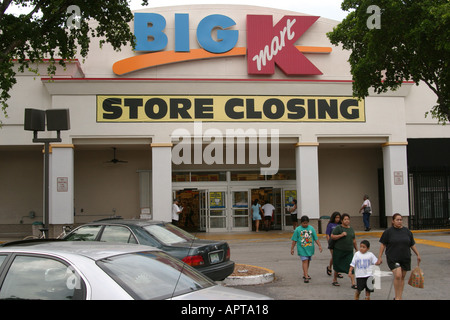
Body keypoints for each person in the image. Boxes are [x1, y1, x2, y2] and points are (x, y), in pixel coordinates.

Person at [377, 213, 421, 300]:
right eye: (397, 220)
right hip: (393, 258)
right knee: (398, 275)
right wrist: (380, 257)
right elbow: (383, 244)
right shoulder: (388, 232)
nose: (399, 221)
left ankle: (399, 297)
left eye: (401, 220)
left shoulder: (407, 231)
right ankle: (397, 297)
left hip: (405, 257)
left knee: (402, 277)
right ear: (393, 221)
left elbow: (412, 244)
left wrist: (418, 254)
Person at [290, 215, 322, 283]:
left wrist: (319, 245)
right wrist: (292, 248)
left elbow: (316, 238)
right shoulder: (298, 229)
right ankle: (306, 276)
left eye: (306, 223)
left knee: (308, 261)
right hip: (302, 249)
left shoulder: (311, 228)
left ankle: (305, 273)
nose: (305, 224)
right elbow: (294, 240)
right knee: (305, 261)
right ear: (301, 223)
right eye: (304, 223)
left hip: (310, 248)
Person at [331, 213, 357, 287]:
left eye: (348, 219)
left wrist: (357, 249)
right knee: (337, 266)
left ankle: (353, 283)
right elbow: (332, 236)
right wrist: (341, 235)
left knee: (351, 266)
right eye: (345, 219)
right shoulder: (338, 228)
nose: (347, 221)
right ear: (342, 221)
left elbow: (354, 240)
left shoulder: (351, 229)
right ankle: (335, 279)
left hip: (349, 251)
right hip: (339, 250)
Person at [325, 211, 342, 277]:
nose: (337, 219)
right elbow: (327, 234)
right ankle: (336, 271)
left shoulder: (340, 225)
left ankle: (331, 268)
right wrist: (329, 242)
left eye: (339, 217)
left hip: (339, 243)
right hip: (332, 243)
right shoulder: (330, 225)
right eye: (336, 217)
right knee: (335, 256)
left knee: (337, 257)